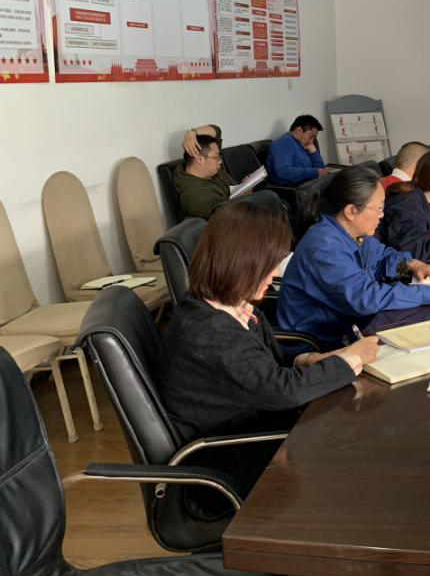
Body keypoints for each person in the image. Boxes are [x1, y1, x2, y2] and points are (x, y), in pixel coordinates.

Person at [156, 201, 379, 500]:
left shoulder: (226, 305)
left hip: (253, 430)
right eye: (269, 265)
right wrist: (351, 359)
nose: (274, 273)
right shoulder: (209, 333)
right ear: (242, 263)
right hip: (229, 463)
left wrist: (308, 359)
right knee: (353, 466)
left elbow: (257, 363)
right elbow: (281, 390)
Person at [277, 166, 430, 350]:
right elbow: (366, 297)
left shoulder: (353, 233)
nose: (382, 215)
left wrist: (413, 265)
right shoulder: (325, 247)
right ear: (351, 211)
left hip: (352, 326)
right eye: (379, 208)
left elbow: (382, 261)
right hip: (319, 345)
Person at [173, 125, 233, 219]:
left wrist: (192, 133)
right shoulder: (196, 195)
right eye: (216, 157)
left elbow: (216, 131)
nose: (220, 161)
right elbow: (228, 215)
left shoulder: (210, 170)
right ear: (199, 159)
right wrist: (247, 195)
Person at [266, 114, 328, 186]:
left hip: (308, 185)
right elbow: (284, 172)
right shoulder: (284, 142)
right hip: (293, 189)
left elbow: (321, 171)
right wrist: (315, 172)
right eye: (311, 136)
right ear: (299, 130)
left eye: (314, 138)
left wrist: (314, 152)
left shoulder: (302, 144)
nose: (311, 141)